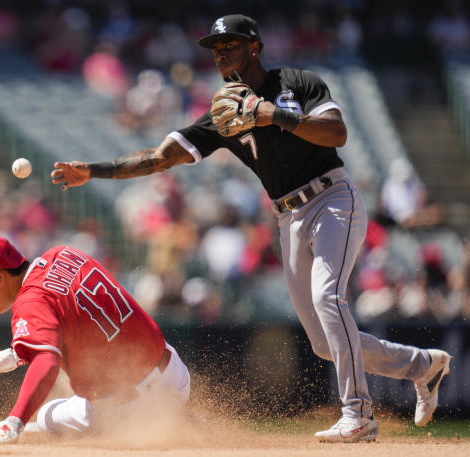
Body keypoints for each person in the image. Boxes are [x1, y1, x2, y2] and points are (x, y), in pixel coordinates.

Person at [50, 14, 452, 443]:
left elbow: (337, 132)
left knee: (328, 298)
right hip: (288, 215)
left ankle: (358, 413)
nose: (222, 54)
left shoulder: (297, 82)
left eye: (231, 46)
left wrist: (273, 115)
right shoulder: (224, 118)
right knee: (322, 341)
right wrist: (91, 170)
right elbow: (159, 157)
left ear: (254, 47)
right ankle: (423, 366)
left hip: (333, 196)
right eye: (216, 49)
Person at [0, 236, 190, 443]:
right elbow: (75, 316)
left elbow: (47, 362)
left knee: (47, 416)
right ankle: (175, 415)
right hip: (174, 374)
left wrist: (15, 421)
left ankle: (157, 421)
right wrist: (20, 353)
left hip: (129, 410)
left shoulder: (29, 303)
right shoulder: (63, 253)